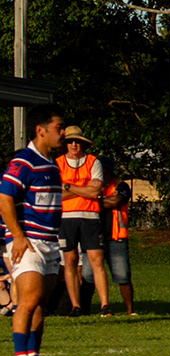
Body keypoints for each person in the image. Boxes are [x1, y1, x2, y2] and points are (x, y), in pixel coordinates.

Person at [0, 104, 69, 356]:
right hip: (29, 241)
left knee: (41, 302)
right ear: (41, 130)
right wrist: (17, 236)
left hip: (49, 241)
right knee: (28, 299)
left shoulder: (51, 164)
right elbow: (5, 198)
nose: (63, 133)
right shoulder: (23, 162)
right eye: (58, 128)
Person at [57, 126, 114, 316]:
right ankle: (76, 306)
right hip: (66, 218)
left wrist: (68, 187)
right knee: (70, 261)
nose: (74, 145)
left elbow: (95, 191)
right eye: (70, 141)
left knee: (97, 260)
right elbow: (56, 195)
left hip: (90, 216)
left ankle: (105, 305)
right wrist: (83, 188)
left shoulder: (92, 162)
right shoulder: (57, 164)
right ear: (65, 144)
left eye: (77, 141)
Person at [98, 166, 137, 319]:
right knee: (88, 275)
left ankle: (130, 310)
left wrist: (96, 201)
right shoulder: (95, 186)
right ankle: (85, 310)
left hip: (117, 237)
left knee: (123, 275)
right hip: (96, 237)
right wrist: (104, 201)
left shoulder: (121, 186)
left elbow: (117, 201)